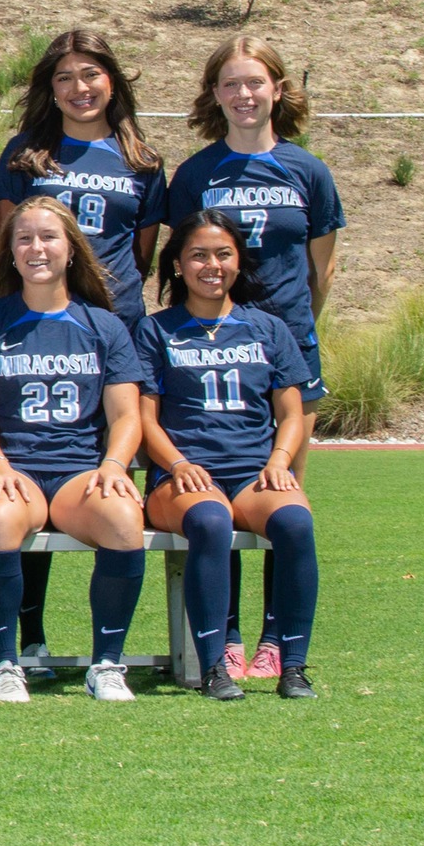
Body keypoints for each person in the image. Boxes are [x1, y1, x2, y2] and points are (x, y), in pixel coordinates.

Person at [166, 34, 343, 682]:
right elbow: (181, 253)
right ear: (214, 94)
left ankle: (276, 635)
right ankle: (229, 631)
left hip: (283, 351)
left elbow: (320, 268)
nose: (244, 95)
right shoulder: (195, 175)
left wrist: (290, 339)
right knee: (219, 480)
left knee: (278, 488)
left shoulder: (307, 171)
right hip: (212, 345)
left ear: (277, 88)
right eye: (231, 84)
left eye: (255, 82)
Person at [0, 30, 165, 675]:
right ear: (49, 88)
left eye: (90, 74)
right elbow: (9, 234)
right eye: (65, 77)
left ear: (112, 81)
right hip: (35, 321)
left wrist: (98, 300)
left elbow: (141, 252)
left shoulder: (141, 159)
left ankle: (123, 652)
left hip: (109, 325)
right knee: (33, 452)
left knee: (101, 472)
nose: (79, 88)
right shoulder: (27, 154)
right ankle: (27, 632)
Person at [0, 196, 149, 705]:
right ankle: (3, 664)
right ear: (10, 253)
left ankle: (106, 663)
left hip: (76, 474)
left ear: (71, 249)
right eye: (24, 239)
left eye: (48, 237)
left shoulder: (103, 326)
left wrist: (114, 464)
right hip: (9, 468)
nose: (36, 248)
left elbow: (127, 415)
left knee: (125, 519)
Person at [137, 211, 320, 701]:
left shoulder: (268, 328)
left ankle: (294, 666)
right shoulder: (156, 331)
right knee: (212, 522)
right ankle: (214, 666)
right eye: (198, 255)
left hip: (253, 471)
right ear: (177, 265)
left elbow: (292, 412)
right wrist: (177, 463)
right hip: (181, 475)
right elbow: (144, 418)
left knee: (297, 525)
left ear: (238, 262)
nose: (211, 265)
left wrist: (279, 461)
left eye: (223, 254)